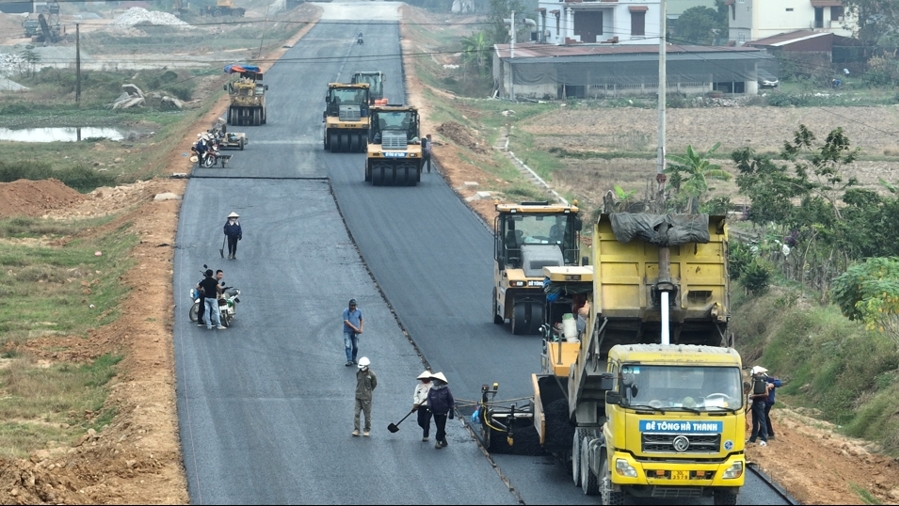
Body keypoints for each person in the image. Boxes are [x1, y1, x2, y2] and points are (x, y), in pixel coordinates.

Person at [426, 372, 454, 449]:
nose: (434, 381)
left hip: (443, 411)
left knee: (441, 426)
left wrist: (452, 409)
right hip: (435, 411)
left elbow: (450, 400)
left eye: (436, 380)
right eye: (434, 380)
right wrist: (429, 407)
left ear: (440, 381)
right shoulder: (432, 390)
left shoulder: (446, 390)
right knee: (439, 426)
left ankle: (438, 441)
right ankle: (443, 438)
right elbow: (429, 399)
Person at [353, 357, 376, 437]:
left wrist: (368, 391)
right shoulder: (358, 372)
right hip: (358, 397)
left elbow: (374, 384)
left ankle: (367, 429)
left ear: (366, 366)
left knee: (367, 415)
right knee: (356, 414)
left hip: (367, 398)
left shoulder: (372, 375)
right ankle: (356, 429)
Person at [747, 366, 770, 447]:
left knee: (762, 421)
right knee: (754, 421)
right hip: (755, 403)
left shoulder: (764, 382)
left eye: (754, 375)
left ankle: (764, 439)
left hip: (760, 403)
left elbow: (766, 394)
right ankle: (753, 438)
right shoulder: (756, 382)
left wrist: (755, 396)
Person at [412, 371, 433, 442]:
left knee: (427, 420)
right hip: (421, 406)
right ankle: (426, 429)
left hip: (429, 406)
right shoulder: (418, 386)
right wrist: (416, 403)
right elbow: (415, 396)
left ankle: (425, 435)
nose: (425, 380)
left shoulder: (433, 387)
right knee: (420, 421)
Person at [342, 298, 364, 366]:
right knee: (348, 345)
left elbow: (361, 319)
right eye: (352, 305)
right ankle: (349, 360)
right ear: (349, 305)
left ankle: (353, 358)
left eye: (354, 305)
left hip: (355, 332)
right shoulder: (346, 311)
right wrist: (354, 328)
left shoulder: (359, 311)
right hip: (347, 331)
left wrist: (361, 329)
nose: (353, 307)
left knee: (355, 347)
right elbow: (346, 321)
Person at [764, 372, 784, 440]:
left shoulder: (769, 379)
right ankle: (767, 433)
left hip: (768, 401)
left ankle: (770, 433)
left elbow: (779, 382)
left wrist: (772, 384)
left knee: (764, 417)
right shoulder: (758, 380)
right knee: (764, 417)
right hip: (763, 401)